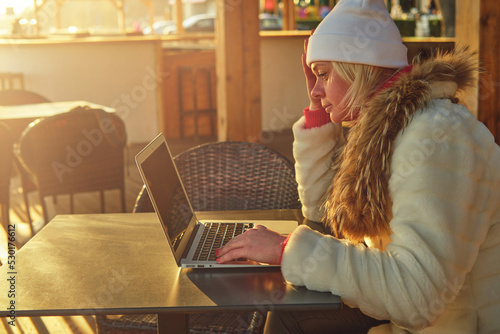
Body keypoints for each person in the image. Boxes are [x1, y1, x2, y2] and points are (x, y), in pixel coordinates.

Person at [216, 0, 500, 333]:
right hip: (409, 319)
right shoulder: (383, 127)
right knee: (286, 310)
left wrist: (285, 249)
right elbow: (326, 215)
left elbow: (416, 295)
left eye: (323, 74)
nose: (317, 89)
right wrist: (318, 110)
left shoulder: (437, 138)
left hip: (457, 325)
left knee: (287, 316)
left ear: (360, 67)